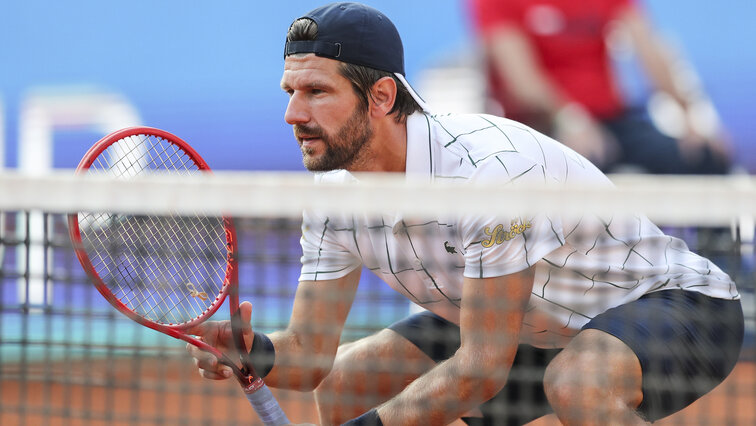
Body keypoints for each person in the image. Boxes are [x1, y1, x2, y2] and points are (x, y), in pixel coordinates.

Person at [187, 3, 744, 425]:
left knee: (578, 382)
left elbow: (480, 368)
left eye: (315, 91)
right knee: (347, 382)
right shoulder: (334, 199)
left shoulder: (490, 173)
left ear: (381, 97)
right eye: (290, 91)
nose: (292, 113)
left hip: (677, 308)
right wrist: (254, 351)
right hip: (532, 318)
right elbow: (309, 353)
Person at [468, 0, 732, 175]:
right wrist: (572, 120)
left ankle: (712, 255)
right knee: (584, 164)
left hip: (613, 122)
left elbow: (650, 52)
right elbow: (522, 83)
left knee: (704, 159)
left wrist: (692, 117)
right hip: (542, 126)